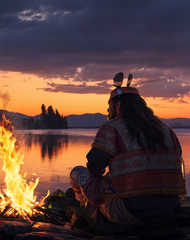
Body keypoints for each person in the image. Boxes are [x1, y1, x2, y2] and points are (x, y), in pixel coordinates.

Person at [69, 72, 186, 229]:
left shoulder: (112, 127)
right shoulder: (165, 129)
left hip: (131, 212)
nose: (107, 110)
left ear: (118, 105)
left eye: (109, 105)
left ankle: (88, 214)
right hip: (170, 209)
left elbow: (93, 167)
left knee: (77, 173)